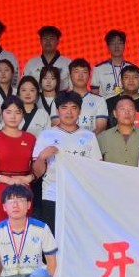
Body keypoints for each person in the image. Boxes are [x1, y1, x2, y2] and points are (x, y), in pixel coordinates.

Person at [32, 91, 103, 233]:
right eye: (64, 108)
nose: (69, 112)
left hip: (80, 196)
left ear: (80, 111)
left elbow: (96, 169)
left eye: (73, 108)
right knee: (53, 236)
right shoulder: (46, 135)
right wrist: (42, 157)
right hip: (52, 195)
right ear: (58, 111)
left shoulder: (89, 136)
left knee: (79, 235)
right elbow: (36, 173)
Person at [0, 96, 36, 225]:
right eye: (8, 112)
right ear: (2, 114)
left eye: (17, 112)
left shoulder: (31, 138)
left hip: (24, 189)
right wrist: (8, 180)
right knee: (0, 230)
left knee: (24, 230)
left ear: (23, 115)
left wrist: (29, 178)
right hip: (1, 190)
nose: (13, 116)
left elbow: (38, 167)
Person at [98, 98, 139, 166]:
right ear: (115, 113)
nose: (127, 112)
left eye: (130, 109)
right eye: (122, 109)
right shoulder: (102, 138)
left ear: (135, 113)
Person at [106, 64, 139, 133]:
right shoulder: (109, 103)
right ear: (121, 81)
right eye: (127, 77)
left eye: (135, 77)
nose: (131, 80)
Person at [23, 25, 72, 92]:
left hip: (61, 97)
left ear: (58, 41)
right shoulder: (31, 63)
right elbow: (24, 85)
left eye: (51, 39)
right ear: (40, 41)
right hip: (37, 97)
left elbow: (72, 87)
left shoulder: (68, 63)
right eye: (45, 38)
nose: (48, 42)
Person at [66, 58, 109, 133]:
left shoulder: (99, 100)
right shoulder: (61, 99)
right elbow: (56, 124)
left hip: (92, 140)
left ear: (89, 75)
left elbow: (101, 127)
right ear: (70, 75)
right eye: (76, 72)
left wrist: (86, 139)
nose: (80, 75)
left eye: (84, 72)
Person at [91, 29, 133, 98]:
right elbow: (94, 95)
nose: (116, 46)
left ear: (124, 45)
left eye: (120, 43)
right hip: (106, 104)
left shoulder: (132, 68)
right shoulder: (98, 69)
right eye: (113, 43)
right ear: (108, 47)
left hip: (127, 104)